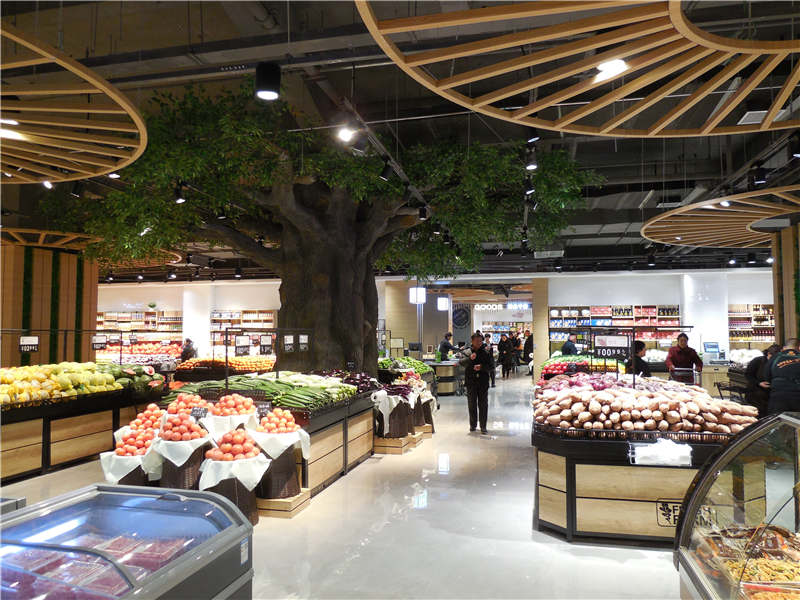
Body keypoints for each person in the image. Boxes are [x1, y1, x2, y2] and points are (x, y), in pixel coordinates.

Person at [460, 332, 492, 434]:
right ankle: (473, 425)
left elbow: (492, 366)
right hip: (471, 381)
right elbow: (461, 362)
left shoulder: (487, 351)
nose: (479, 343)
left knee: (483, 404)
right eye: (476, 341)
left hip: (483, 381)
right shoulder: (467, 351)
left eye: (480, 341)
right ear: (472, 341)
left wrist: (481, 367)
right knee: (472, 404)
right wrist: (470, 358)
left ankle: (483, 426)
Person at [745, 343, 781, 417]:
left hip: (771, 395)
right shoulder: (757, 361)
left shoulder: (778, 362)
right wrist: (759, 383)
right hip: (755, 394)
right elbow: (748, 375)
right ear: (768, 354)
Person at [766, 339, 800, 415]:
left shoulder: (775, 357)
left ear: (784, 347)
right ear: (799, 347)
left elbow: (766, 376)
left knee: (777, 419)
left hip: (778, 396)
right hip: (797, 396)